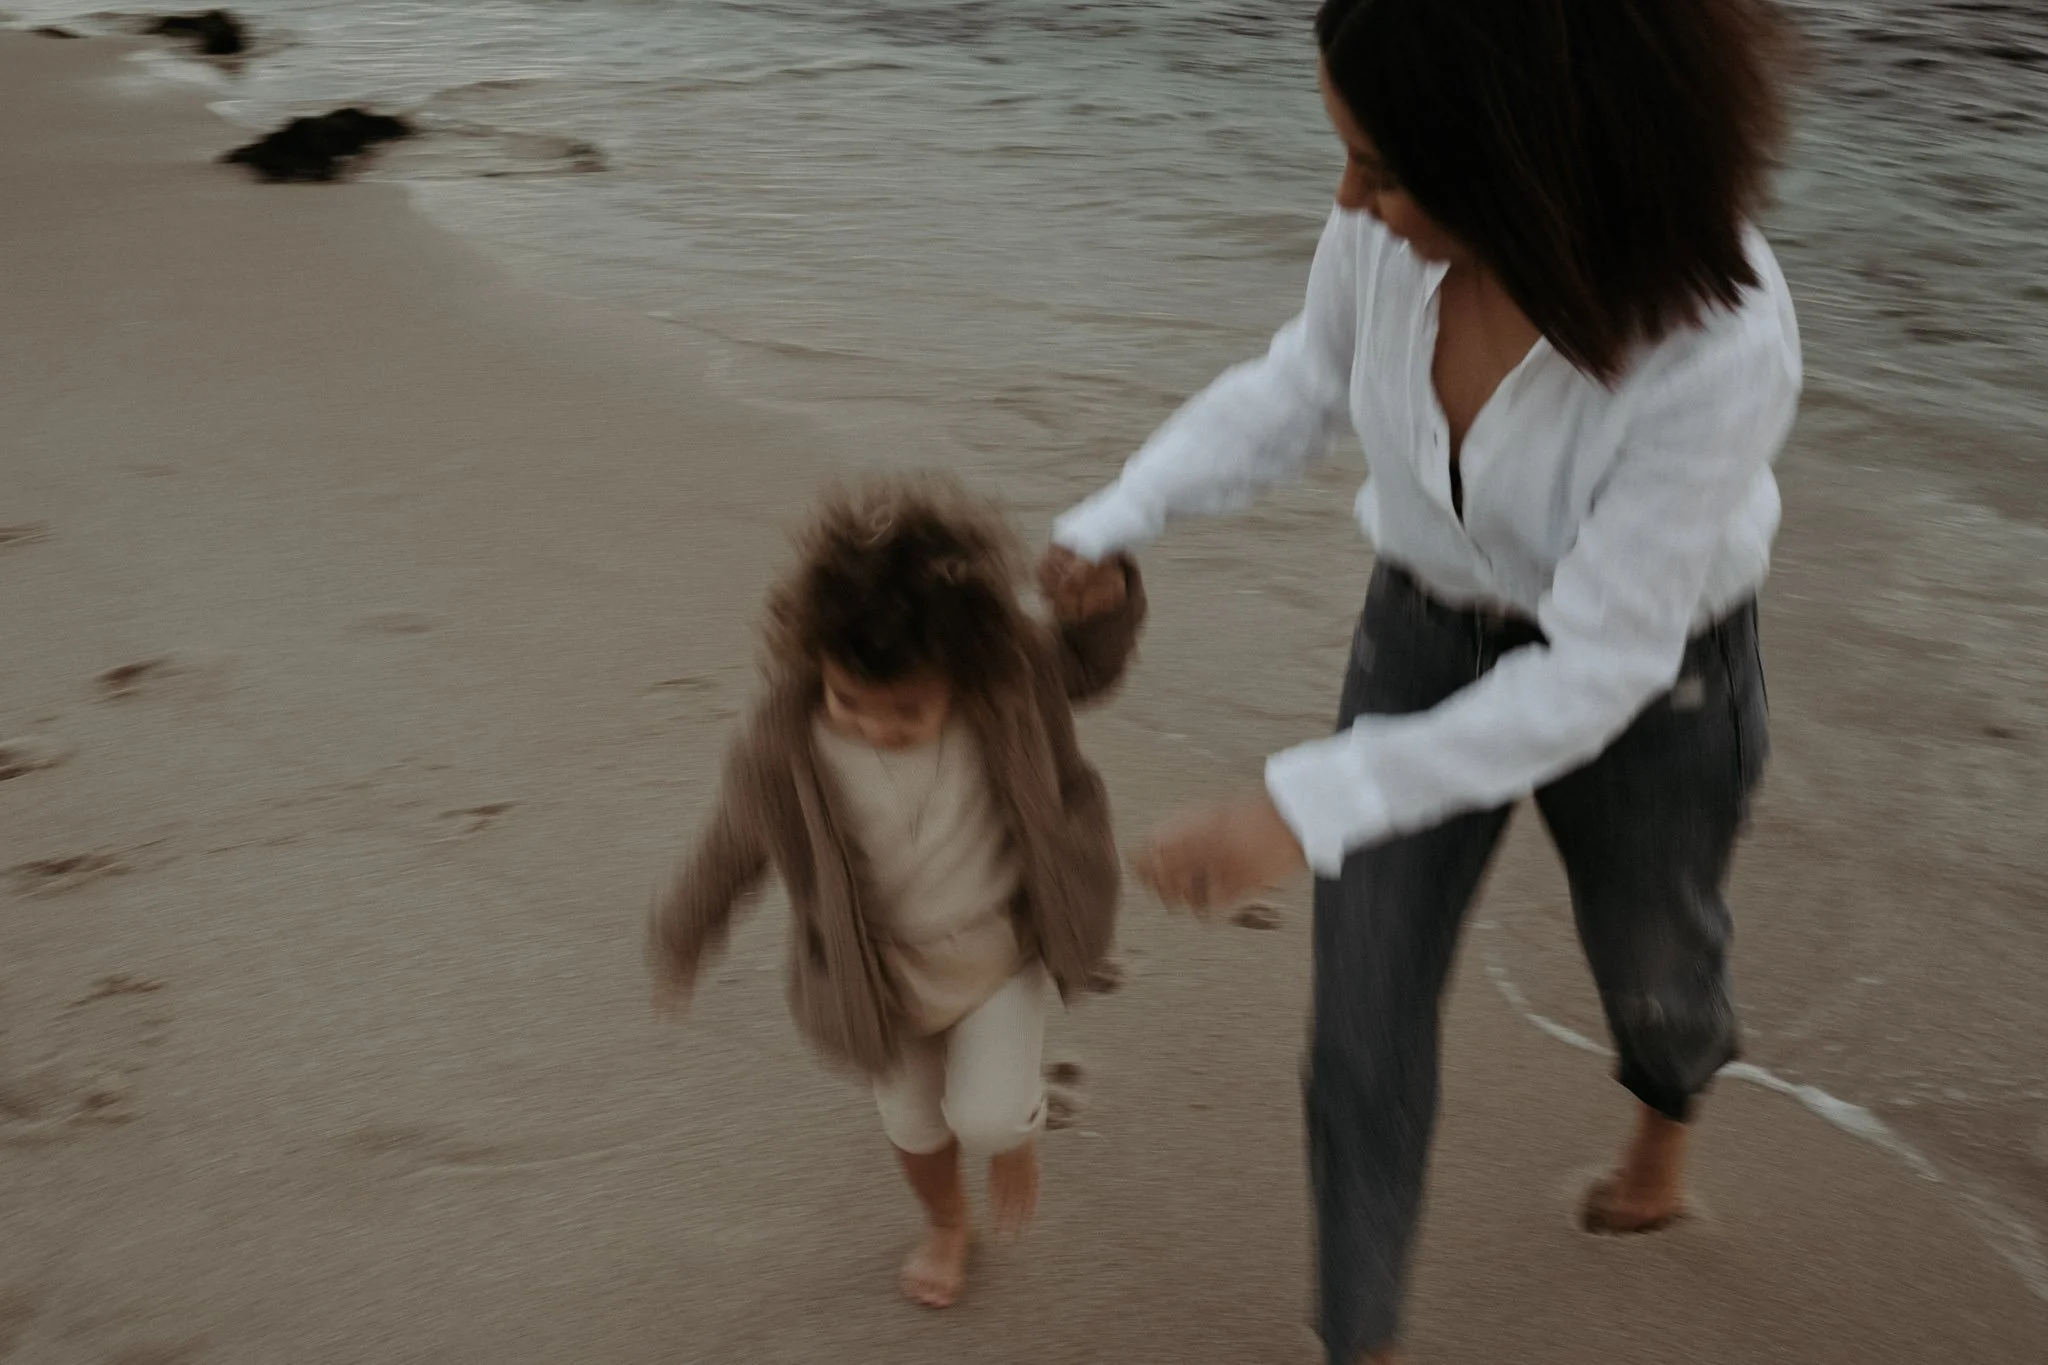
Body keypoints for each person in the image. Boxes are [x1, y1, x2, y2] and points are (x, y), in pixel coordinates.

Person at [1039, 1, 1799, 1360]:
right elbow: (1304, 381)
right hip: (1424, 628)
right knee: (1361, 1028)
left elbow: (1599, 666)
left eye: (1381, 167)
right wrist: (1121, 511)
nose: (1348, 199)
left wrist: (1300, 803)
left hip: (1655, 683)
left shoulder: (1718, 339)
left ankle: (1664, 1122)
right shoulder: (1385, 234)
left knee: (1656, 970)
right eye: (1348, 156)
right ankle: (1360, 1343)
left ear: (1524, 157)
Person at [647, 475, 1144, 1309]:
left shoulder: (1009, 678)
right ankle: (947, 1223)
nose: (876, 726)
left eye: (908, 711)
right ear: (814, 664)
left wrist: (1109, 594)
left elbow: (1089, 665)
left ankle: (1015, 1132)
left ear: (962, 666)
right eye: (851, 702)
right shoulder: (784, 745)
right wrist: (683, 934)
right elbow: (736, 841)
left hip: (999, 950)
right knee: (913, 1126)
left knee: (987, 1116)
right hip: (875, 976)